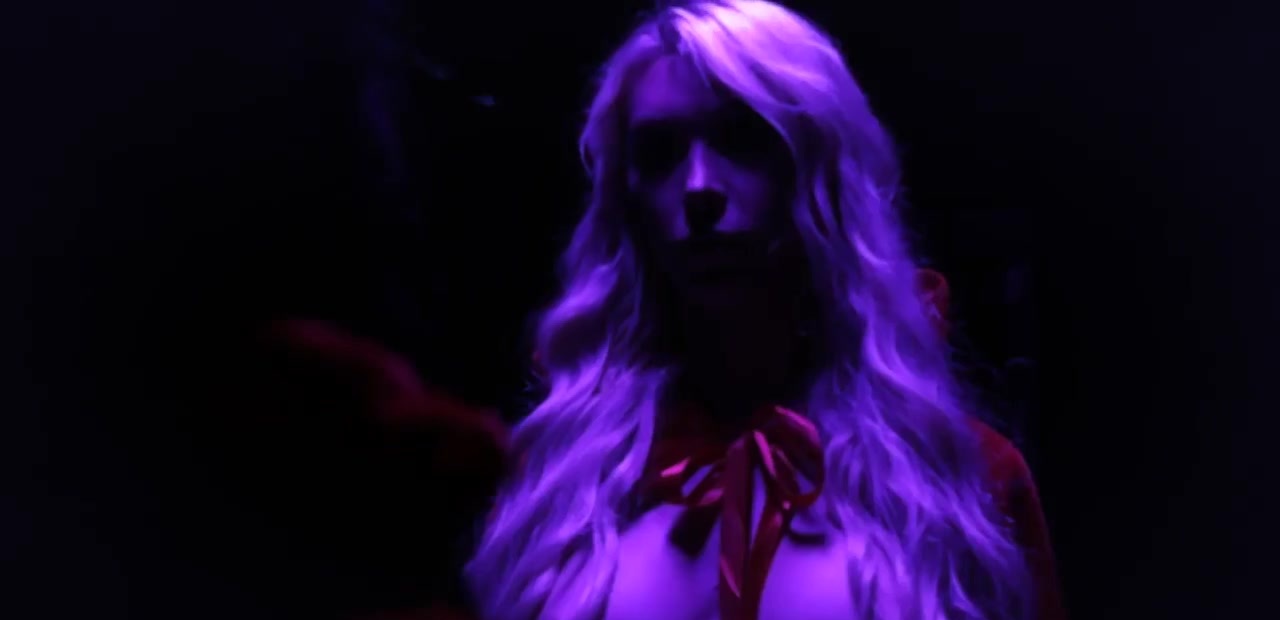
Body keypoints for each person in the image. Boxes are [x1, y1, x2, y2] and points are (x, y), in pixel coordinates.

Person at [448, 1, 1064, 618]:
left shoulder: (961, 479)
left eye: (743, 140)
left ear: (820, 173)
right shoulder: (556, 484)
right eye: (659, 153)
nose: (699, 187)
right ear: (624, 197)